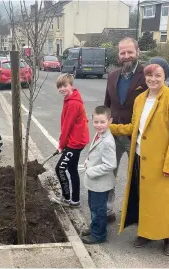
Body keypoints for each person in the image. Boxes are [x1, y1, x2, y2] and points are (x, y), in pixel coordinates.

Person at [109, 57, 169, 256]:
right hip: (140, 157)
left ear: (165, 77)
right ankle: (146, 232)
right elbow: (134, 127)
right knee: (144, 197)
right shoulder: (140, 99)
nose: (153, 79)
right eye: (149, 75)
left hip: (163, 161)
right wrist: (109, 128)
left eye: (158, 75)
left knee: (166, 200)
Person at [104, 37, 148, 223]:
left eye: (130, 52)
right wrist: (103, 128)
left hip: (135, 136)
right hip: (113, 134)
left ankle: (141, 215)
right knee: (108, 173)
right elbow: (107, 104)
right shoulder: (113, 75)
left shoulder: (147, 74)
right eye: (122, 52)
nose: (126, 56)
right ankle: (107, 211)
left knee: (140, 176)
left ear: (137, 52)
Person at [80, 106, 117, 244]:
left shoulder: (107, 141)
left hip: (100, 183)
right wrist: (87, 161)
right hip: (95, 182)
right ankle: (95, 227)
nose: (99, 125)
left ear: (110, 121)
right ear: (92, 121)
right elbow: (94, 152)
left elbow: (110, 164)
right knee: (93, 206)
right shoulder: (99, 134)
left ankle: (98, 235)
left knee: (98, 209)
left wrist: (91, 171)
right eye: (96, 122)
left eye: (102, 122)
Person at [52, 73, 89, 207]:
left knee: (60, 169)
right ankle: (75, 200)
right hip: (76, 140)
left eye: (65, 85)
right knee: (72, 169)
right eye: (59, 86)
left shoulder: (72, 103)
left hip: (75, 142)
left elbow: (67, 126)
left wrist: (61, 145)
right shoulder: (71, 97)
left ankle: (67, 198)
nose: (62, 89)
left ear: (71, 85)